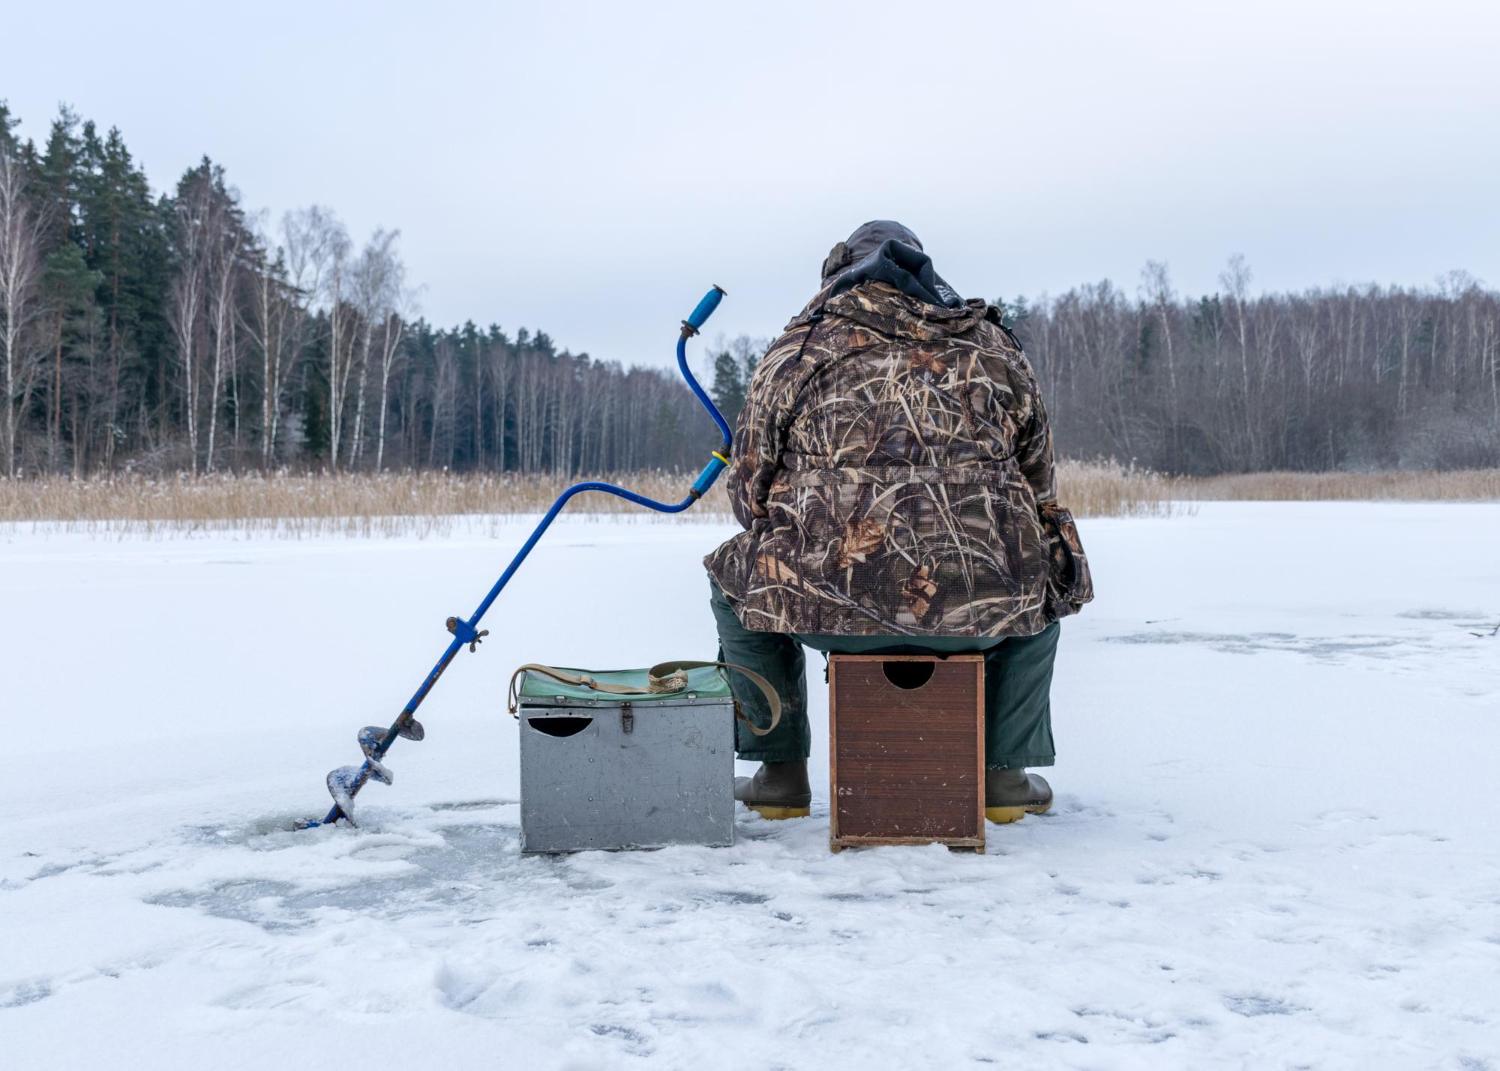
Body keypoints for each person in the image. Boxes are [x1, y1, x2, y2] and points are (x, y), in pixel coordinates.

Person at [705, 220, 1093, 823]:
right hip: (979, 606)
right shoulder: (992, 346)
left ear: (839, 272)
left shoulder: (798, 348)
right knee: (1045, 570)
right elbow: (1039, 482)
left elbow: (749, 490)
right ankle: (1004, 779)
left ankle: (779, 776)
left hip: (829, 603)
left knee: (733, 581)